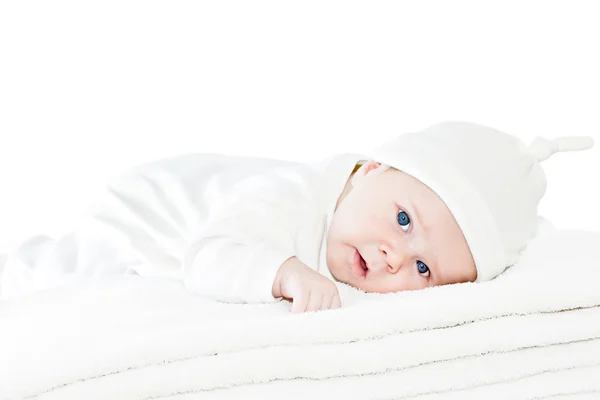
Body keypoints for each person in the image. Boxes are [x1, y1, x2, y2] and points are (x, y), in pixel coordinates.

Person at [0, 121, 593, 313]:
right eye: (405, 221)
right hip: (147, 214)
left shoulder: (364, 215)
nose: (392, 255)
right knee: (63, 277)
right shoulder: (291, 199)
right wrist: (281, 272)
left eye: (423, 270)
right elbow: (207, 257)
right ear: (367, 171)